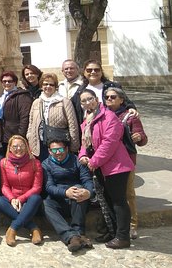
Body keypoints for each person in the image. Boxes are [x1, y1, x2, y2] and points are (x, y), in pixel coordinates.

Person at [78, 89, 134, 249]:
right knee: (108, 201)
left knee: (118, 201)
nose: (87, 102)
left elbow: (109, 143)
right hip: (102, 166)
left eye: (90, 99)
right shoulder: (88, 119)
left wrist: (94, 161)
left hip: (116, 166)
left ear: (96, 99)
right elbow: (85, 143)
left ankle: (123, 237)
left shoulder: (109, 117)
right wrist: (83, 155)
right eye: (84, 101)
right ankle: (113, 232)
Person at [104, 87, 147, 239]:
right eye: (107, 97)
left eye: (113, 97)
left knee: (128, 193)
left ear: (121, 100)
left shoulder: (130, 116)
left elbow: (142, 137)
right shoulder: (102, 114)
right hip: (107, 160)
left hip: (126, 160)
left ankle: (132, 224)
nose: (109, 99)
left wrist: (138, 137)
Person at [42, 139, 95, 252]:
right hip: (59, 200)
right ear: (49, 151)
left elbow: (87, 180)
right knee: (45, 204)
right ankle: (71, 236)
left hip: (77, 201)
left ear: (66, 149)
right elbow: (49, 187)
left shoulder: (76, 160)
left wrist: (89, 192)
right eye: (54, 150)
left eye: (60, 149)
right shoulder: (46, 164)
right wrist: (66, 192)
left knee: (79, 190)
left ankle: (79, 232)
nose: (58, 153)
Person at [0, 135, 43, 247]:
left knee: (36, 198)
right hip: (12, 198)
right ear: (10, 148)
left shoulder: (35, 163)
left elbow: (37, 187)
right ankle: (33, 228)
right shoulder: (4, 162)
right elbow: (4, 185)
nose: (19, 148)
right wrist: (12, 199)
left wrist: (20, 199)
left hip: (28, 199)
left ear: (26, 147)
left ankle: (13, 229)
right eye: (15, 146)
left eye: (22, 146)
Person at [26, 73, 80, 161]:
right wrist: (30, 137)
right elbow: (31, 123)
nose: (48, 86)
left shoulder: (64, 102)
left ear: (55, 86)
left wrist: (74, 147)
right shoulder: (36, 102)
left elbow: (72, 125)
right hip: (40, 144)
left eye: (51, 84)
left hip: (58, 144)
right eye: (45, 84)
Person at [71, 60, 136, 123]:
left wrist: (131, 108)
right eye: (89, 70)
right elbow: (72, 106)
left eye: (96, 70)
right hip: (88, 126)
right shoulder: (80, 90)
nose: (93, 72)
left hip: (111, 124)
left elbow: (125, 100)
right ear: (84, 73)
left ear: (101, 72)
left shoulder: (112, 86)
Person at [0, 71, 33, 154]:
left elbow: (25, 118)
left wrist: (20, 137)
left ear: (15, 82)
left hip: (16, 136)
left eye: (9, 81)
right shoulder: (3, 96)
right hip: (5, 136)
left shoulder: (22, 96)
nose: (7, 83)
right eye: (4, 81)